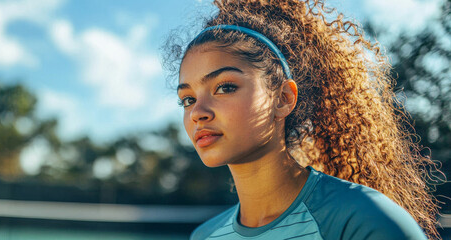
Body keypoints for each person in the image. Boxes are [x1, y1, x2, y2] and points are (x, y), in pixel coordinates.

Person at [163, 0, 441, 239]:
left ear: (283, 98)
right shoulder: (204, 236)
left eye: (225, 87)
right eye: (188, 99)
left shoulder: (362, 221)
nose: (198, 112)